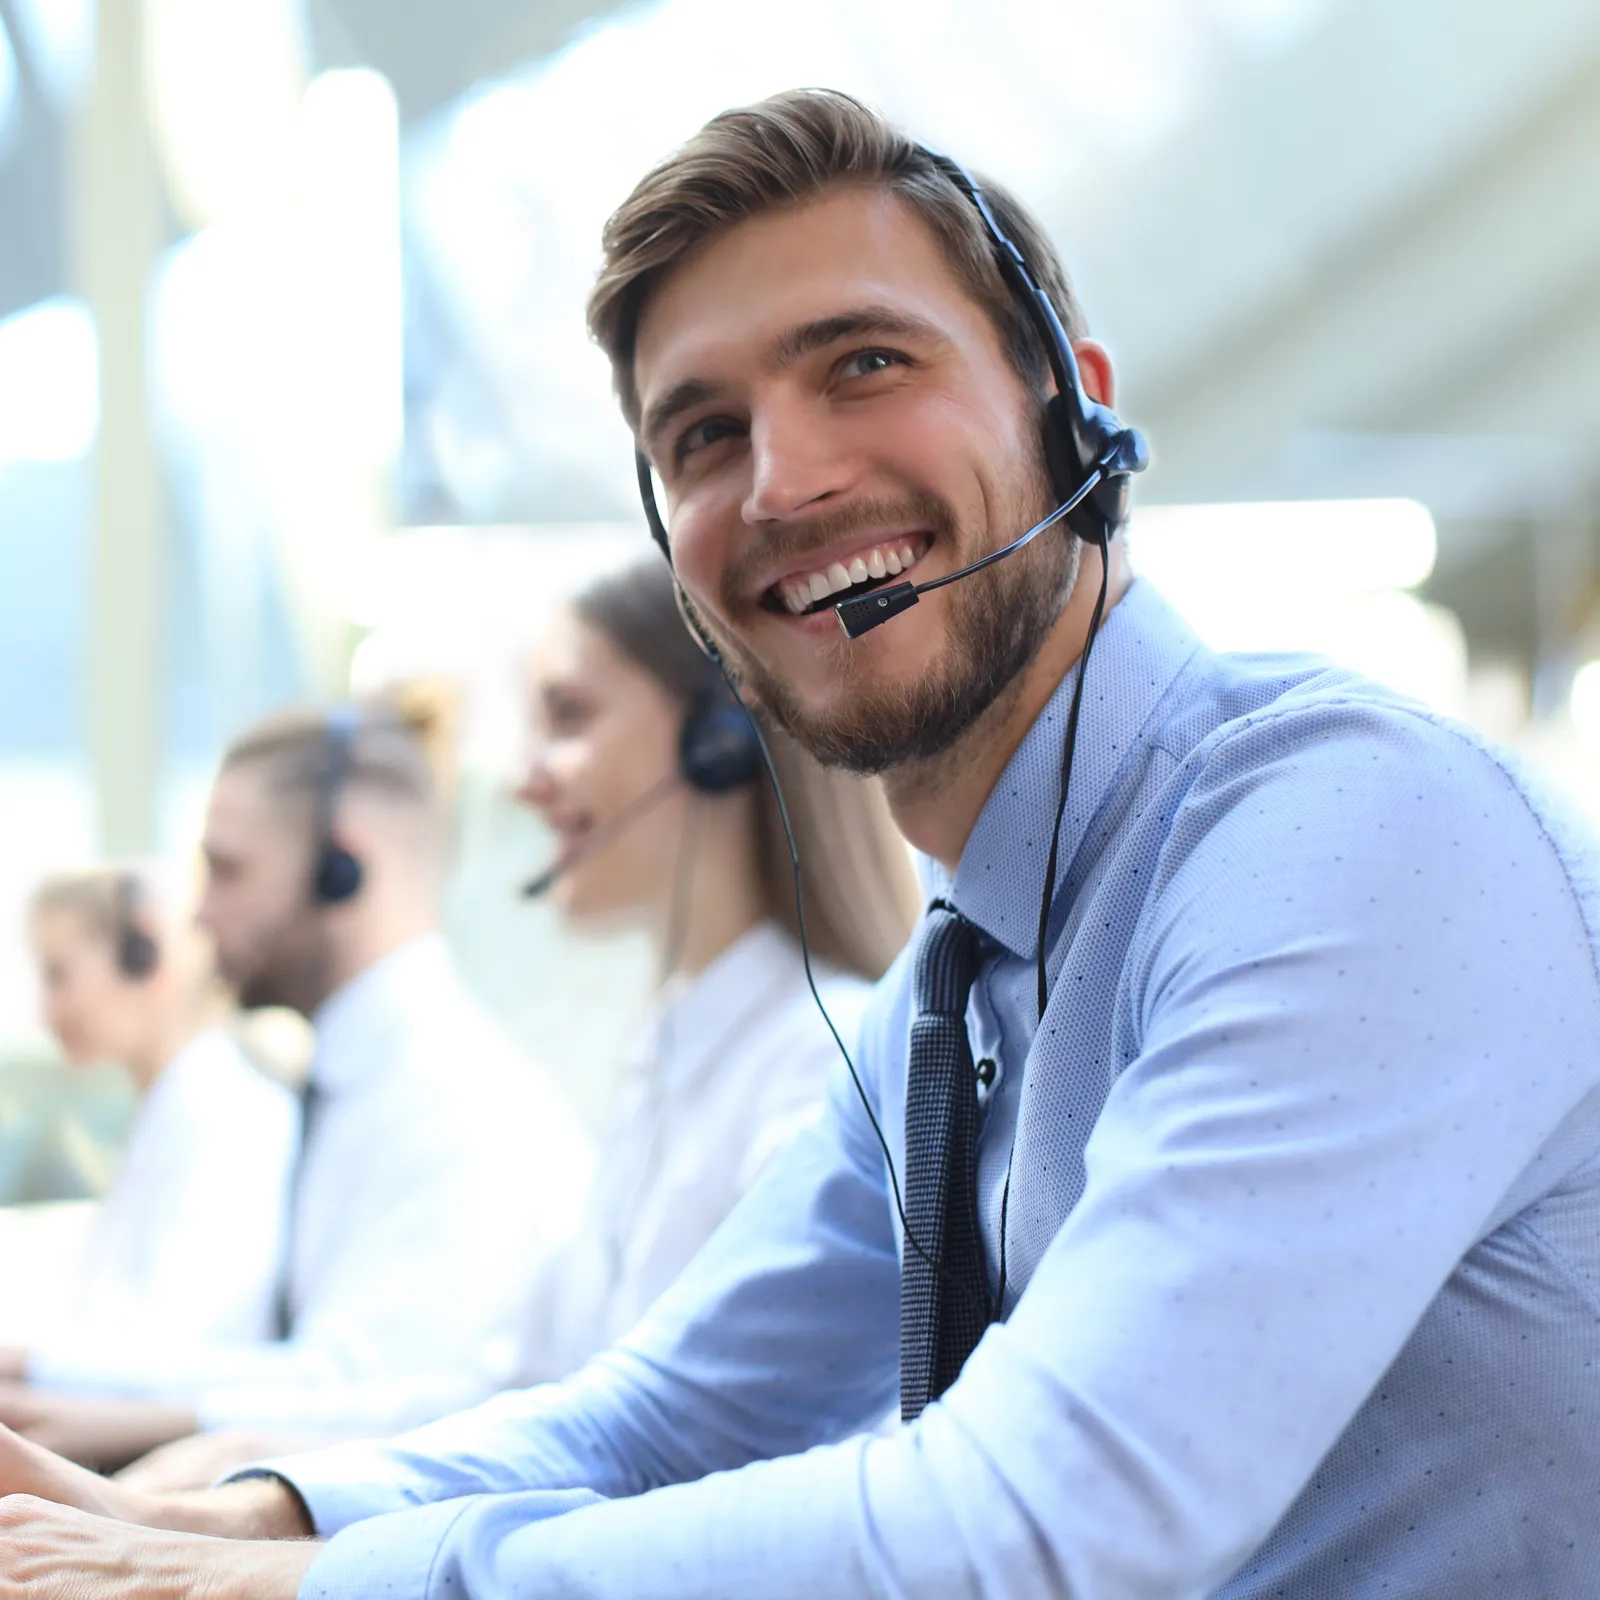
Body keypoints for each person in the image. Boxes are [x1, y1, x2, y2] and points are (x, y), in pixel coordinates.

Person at [2, 86, 1599, 1599]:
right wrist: (203, 1523)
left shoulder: (1347, 833)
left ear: (1079, 409)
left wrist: (322, 1581)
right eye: (701, 435)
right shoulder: (957, 982)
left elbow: (1041, 1530)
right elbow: (662, 1418)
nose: (787, 481)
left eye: (864, 364)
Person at [116, 556, 918, 1491]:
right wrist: (255, 1460)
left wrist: (266, 1502)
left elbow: (675, 1458)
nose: (526, 779)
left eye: (568, 717)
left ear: (720, 736)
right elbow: (526, 1388)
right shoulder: (668, 1058)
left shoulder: (818, 1068)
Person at [0, 695, 592, 1471]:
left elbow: (372, 1394)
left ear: (340, 870)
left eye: (228, 869)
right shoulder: (349, 1083)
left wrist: (50, 1378)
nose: (200, 915)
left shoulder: (460, 1110)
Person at [0, 867, 298, 1429]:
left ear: (146, 957)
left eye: (59, 976)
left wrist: (26, 1362)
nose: (47, 1011)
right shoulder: (173, 1105)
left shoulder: (227, 1111)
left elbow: (189, 1346)